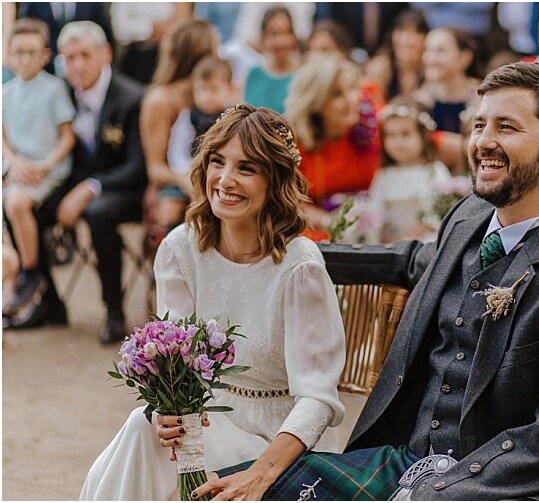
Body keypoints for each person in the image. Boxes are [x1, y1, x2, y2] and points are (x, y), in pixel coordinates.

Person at [201, 62, 539, 501]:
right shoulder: (468, 218)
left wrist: (439, 493)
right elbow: (408, 261)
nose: (484, 142)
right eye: (479, 125)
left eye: (506, 128)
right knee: (235, 490)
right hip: (407, 463)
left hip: (502, 488)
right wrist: (289, 251)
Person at [80, 105, 347, 500]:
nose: (225, 179)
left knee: (142, 432)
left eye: (247, 168)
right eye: (217, 162)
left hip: (281, 444)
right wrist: (167, 413)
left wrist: (259, 475)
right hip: (204, 425)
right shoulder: (179, 251)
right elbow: (177, 367)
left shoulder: (300, 266)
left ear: (275, 181)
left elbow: (318, 399)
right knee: (144, 424)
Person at [5, 21, 146, 338]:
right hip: (71, 184)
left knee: (99, 213)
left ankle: (113, 310)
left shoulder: (131, 98)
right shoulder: (59, 91)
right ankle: (48, 302)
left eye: (85, 55)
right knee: (20, 206)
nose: (77, 65)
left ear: (106, 53)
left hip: (119, 188)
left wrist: (89, 188)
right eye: (69, 58)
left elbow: (138, 167)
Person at [3, 18, 76, 323]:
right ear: (9, 54)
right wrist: (15, 163)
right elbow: (3, 138)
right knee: (12, 199)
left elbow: (68, 135)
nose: (25, 59)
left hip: (51, 169)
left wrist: (45, 165)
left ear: (45, 55)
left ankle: (30, 272)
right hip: (22, 169)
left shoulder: (55, 88)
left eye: (32, 52)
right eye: (19, 52)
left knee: (16, 202)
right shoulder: (5, 92)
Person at [284, 54, 383, 232]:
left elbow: (432, 141)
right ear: (315, 103)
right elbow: (286, 202)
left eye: (353, 88)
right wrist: (330, 222)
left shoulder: (376, 127)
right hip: (320, 235)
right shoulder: (293, 144)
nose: (351, 99)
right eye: (337, 94)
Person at [156, 57, 239, 239]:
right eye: (201, 91)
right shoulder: (188, 116)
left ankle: (210, 241)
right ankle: (169, 246)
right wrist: (187, 174)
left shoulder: (233, 118)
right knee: (168, 206)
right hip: (189, 174)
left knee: (210, 204)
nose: (207, 97)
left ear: (230, 89)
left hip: (222, 177)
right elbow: (177, 151)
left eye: (214, 90)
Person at [368, 98, 454, 242]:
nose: (397, 142)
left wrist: (407, 241)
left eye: (405, 134)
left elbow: (438, 215)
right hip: (389, 245)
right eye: (391, 135)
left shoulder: (433, 171)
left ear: (424, 136)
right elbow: (375, 211)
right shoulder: (384, 175)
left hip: (424, 244)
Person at [412, 27, 481, 134]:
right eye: (427, 50)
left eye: (440, 51)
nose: (430, 58)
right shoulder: (421, 98)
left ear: (464, 58)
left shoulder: (482, 98)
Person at [241, 6, 302, 114]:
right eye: (274, 33)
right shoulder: (253, 74)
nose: (280, 41)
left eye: (286, 32)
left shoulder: (303, 74)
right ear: (264, 37)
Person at [363, 9, 429, 103]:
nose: (407, 40)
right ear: (392, 35)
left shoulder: (431, 70)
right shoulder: (378, 68)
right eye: (402, 30)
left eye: (417, 32)